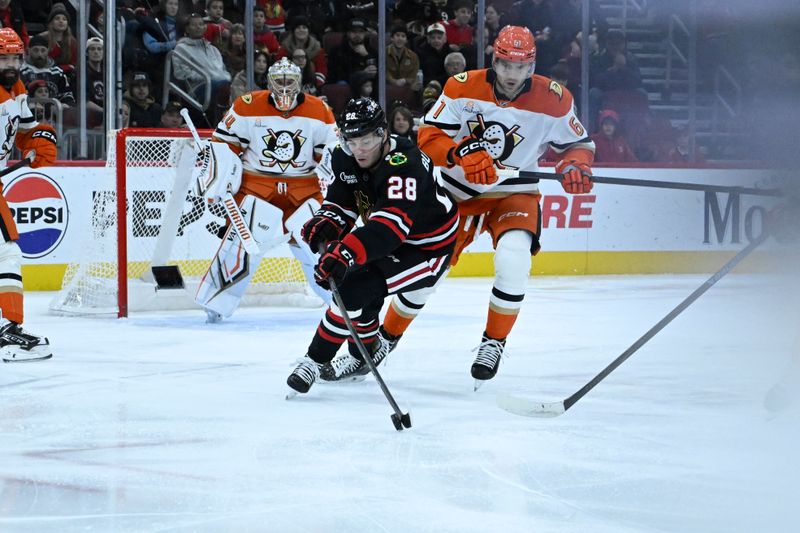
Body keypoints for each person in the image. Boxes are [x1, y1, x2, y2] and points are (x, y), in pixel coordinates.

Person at [326, 26, 595, 388]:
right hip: (454, 194)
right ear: (494, 61)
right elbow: (429, 135)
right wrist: (459, 153)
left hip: (515, 193)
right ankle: (381, 344)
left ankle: (493, 343)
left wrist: (574, 166)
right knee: (423, 277)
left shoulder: (555, 99)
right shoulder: (461, 86)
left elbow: (577, 145)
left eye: (520, 66)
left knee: (514, 259)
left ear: (531, 67)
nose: (512, 74)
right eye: (506, 65)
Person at [286, 97, 459, 394]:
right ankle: (369, 350)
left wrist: (346, 252)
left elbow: (390, 228)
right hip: (387, 236)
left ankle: (316, 361)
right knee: (354, 291)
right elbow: (342, 201)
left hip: (426, 248)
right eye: (352, 141)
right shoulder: (343, 156)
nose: (359, 149)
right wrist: (328, 221)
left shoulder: (405, 162)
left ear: (382, 133)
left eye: (366, 140)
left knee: (353, 288)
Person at [195, 58, 339, 322]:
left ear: (300, 82)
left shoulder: (319, 109)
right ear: (270, 81)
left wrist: (336, 172)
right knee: (242, 243)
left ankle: (339, 300)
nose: (284, 86)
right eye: (279, 81)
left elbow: (332, 150)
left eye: (290, 81)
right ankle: (216, 302)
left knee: (318, 243)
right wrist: (217, 174)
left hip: (303, 186)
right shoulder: (247, 105)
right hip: (256, 185)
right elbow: (222, 143)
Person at [0, 28, 57, 362]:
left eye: (14, 58)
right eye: (3, 57)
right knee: (6, 253)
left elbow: (22, 135)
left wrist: (39, 139)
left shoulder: (17, 88)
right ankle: (8, 330)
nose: (9, 64)